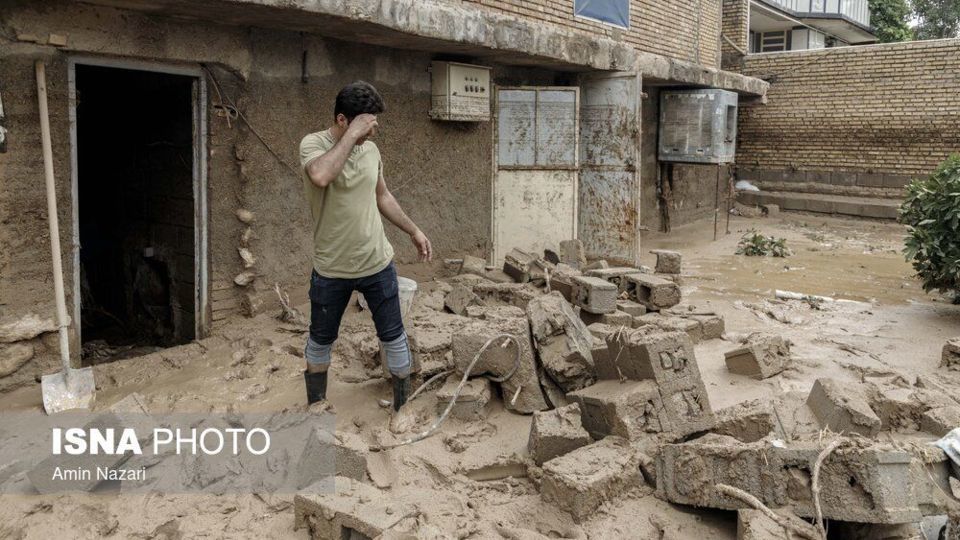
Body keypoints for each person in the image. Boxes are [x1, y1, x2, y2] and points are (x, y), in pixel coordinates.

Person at [299, 81, 432, 411]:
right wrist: (351, 135)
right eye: (367, 123)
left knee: (393, 335)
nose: (374, 130)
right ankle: (316, 405)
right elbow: (321, 176)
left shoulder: (371, 151)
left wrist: (414, 230)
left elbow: (382, 195)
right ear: (342, 120)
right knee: (320, 340)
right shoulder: (313, 144)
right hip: (331, 268)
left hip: (376, 262)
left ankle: (401, 408)